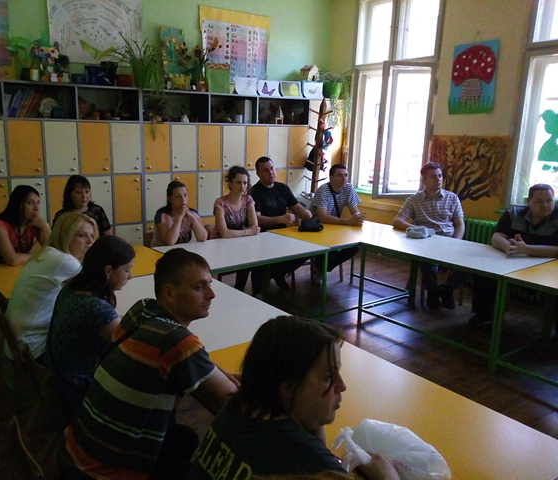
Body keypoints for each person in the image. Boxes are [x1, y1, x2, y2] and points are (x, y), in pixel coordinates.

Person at [57, 248, 239, 480]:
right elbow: (232, 400)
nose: (212, 294)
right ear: (169, 293)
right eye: (199, 287)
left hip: (76, 449)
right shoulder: (175, 341)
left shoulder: (142, 309)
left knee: (184, 439)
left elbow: (191, 354)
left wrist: (216, 370)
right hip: (98, 473)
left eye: (209, 284)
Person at [190, 315, 399, 480]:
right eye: (328, 377)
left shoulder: (235, 409)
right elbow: (312, 457)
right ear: (288, 387)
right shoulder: (313, 464)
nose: (342, 386)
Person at [43, 235, 135, 418]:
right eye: (127, 270)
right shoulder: (95, 308)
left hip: (55, 376)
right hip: (75, 389)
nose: (130, 276)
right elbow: (132, 347)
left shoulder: (72, 288)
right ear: (108, 270)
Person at [6, 212, 98, 361]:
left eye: (92, 236)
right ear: (65, 236)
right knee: (98, 335)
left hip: (19, 342)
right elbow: (95, 296)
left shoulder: (48, 253)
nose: (90, 242)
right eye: (82, 235)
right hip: (34, 348)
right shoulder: (65, 262)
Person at [470, 183, 558, 327]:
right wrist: (508, 247)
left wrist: (526, 249)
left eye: (549, 200)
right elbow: (497, 236)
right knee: (485, 273)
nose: (546, 205)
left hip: (549, 266)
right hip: (516, 260)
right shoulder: (514, 213)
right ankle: (486, 314)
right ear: (529, 201)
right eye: (539, 201)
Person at [392, 162, 465, 309]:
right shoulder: (414, 200)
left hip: (449, 240)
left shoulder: (452, 198)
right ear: (424, 180)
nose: (438, 179)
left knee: (469, 264)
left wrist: (456, 242)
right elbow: (397, 221)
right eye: (433, 177)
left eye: (440, 176)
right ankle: (432, 292)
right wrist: (417, 229)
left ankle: (446, 288)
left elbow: (460, 224)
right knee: (427, 262)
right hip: (427, 242)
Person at [249, 156, 313, 292]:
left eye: (272, 168)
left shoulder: (282, 188)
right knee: (262, 260)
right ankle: (259, 288)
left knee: (307, 250)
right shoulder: (255, 192)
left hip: (283, 236)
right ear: (258, 174)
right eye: (265, 170)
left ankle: (278, 273)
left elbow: (296, 207)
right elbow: (256, 219)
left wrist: (305, 213)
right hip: (262, 238)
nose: (271, 172)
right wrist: (280, 219)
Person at [308, 164, 363, 286]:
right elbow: (323, 217)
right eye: (339, 175)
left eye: (346, 175)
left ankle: (322, 268)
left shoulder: (348, 188)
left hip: (335, 228)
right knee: (332, 246)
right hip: (317, 229)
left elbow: (355, 211)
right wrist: (348, 221)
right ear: (331, 177)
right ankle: (320, 267)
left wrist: (358, 218)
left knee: (354, 247)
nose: (344, 178)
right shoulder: (323, 190)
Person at [0, 185, 51, 269]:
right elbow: (13, 260)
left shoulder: (35, 224)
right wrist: (39, 256)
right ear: (18, 205)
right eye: (29, 203)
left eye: (38, 202)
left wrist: (46, 227)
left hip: (16, 271)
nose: (36, 208)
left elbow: (55, 253)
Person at [214, 165, 261, 291]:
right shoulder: (220, 203)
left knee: (259, 258)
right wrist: (248, 232)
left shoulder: (248, 199)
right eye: (238, 182)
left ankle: (258, 292)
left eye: (245, 183)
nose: (242, 186)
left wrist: (248, 231)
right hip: (224, 247)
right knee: (246, 258)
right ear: (230, 183)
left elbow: (255, 226)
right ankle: (239, 289)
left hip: (243, 244)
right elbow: (224, 233)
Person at [151, 180, 208, 246]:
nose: (183, 200)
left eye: (185, 195)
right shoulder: (162, 215)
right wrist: (179, 217)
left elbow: (203, 237)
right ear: (169, 199)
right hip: (160, 249)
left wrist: (192, 218)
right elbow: (170, 241)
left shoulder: (192, 213)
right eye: (177, 197)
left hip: (180, 250)